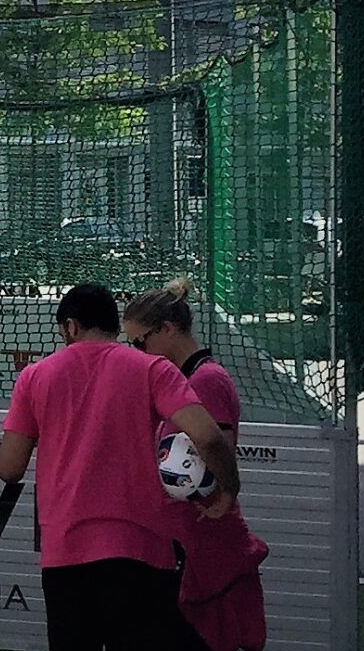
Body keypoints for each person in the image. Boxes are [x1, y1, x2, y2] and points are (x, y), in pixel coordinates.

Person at [0, 283, 241, 651]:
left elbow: (11, 468)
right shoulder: (153, 368)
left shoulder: (35, 376)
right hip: (141, 551)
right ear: (113, 325)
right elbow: (208, 436)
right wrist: (228, 487)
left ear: (71, 327)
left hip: (67, 554)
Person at [124, 279, 269, 651]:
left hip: (208, 541)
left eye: (140, 341)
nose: (137, 351)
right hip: (184, 539)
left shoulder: (206, 380)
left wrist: (228, 490)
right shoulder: (183, 380)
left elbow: (218, 447)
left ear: (168, 330)